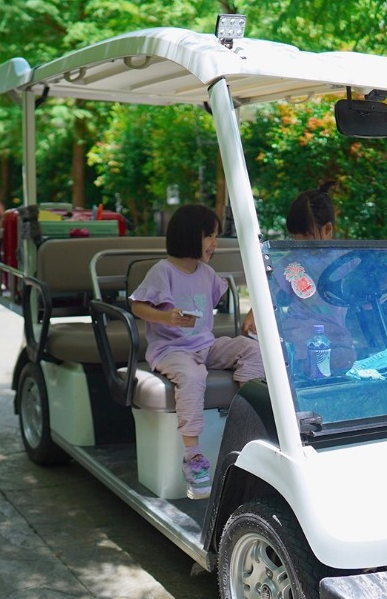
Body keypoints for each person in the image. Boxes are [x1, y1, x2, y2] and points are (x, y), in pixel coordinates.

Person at [129, 205, 264, 500]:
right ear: (190, 236)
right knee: (193, 376)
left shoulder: (207, 272)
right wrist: (167, 317)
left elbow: (219, 299)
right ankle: (193, 459)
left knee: (252, 349)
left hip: (205, 345)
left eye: (215, 236)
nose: (215, 243)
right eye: (209, 236)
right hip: (171, 350)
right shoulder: (163, 271)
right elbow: (137, 305)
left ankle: (245, 421)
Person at [242, 182, 357, 375]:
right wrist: (254, 313)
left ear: (327, 229)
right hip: (297, 330)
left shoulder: (347, 260)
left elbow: (365, 293)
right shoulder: (293, 262)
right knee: (303, 363)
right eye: (295, 236)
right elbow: (271, 290)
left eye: (305, 235)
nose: (299, 242)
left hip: (334, 334)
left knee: (346, 359)